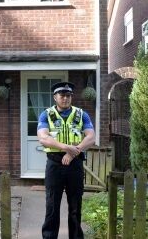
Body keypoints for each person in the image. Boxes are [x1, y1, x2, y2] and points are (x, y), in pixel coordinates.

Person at [37, 81, 96, 239]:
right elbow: (43, 138)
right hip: (54, 164)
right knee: (52, 205)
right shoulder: (46, 114)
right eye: (62, 95)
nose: (65, 98)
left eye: (68, 95)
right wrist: (65, 147)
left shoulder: (81, 114)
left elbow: (91, 137)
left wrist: (72, 153)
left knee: (75, 205)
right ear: (55, 97)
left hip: (75, 164)